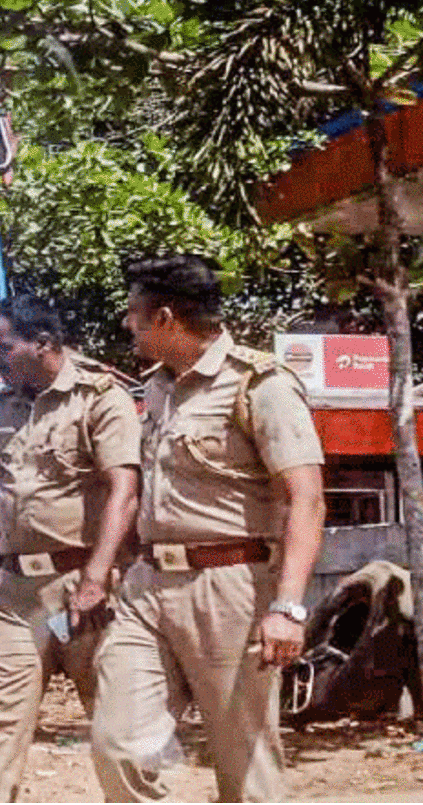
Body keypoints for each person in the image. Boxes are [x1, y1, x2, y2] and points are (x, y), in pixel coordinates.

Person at [89, 255, 326, 802]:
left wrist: (287, 607)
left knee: (246, 767)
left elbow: (306, 499)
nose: (128, 325)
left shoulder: (260, 385)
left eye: (134, 315)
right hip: (149, 588)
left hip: (233, 590)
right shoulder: (157, 389)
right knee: (118, 744)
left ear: (166, 318)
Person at [0, 294, 141, 803]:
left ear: (44, 344)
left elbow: (124, 492)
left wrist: (95, 581)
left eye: (3, 347)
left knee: (117, 734)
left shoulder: (100, 397)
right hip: (15, 596)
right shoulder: (3, 407)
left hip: (85, 592)